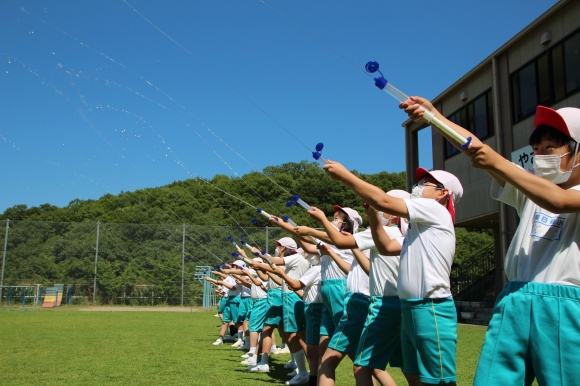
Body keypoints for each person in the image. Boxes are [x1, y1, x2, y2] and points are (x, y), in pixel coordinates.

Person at [402, 97, 580, 385]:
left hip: (565, 305)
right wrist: (434, 116)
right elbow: (476, 149)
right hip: (513, 299)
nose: (540, 155)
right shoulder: (530, 189)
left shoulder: (564, 193)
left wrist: (495, 160)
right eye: (536, 149)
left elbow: (559, 200)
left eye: (550, 147)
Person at [322, 161, 462, 385]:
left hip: (431, 305)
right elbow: (387, 247)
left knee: (438, 380)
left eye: (424, 183)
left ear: (442, 193)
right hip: (410, 306)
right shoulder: (416, 230)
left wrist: (345, 176)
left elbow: (383, 200)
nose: (417, 187)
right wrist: (375, 215)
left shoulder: (436, 210)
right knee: (416, 375)